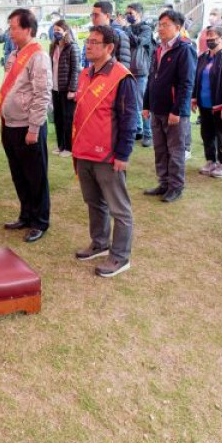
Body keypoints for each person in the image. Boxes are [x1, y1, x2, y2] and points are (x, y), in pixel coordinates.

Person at [72, 25, 140, 278]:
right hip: (84, 151)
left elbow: (129, 119)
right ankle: (99, 243)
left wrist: (123, 155)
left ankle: (120, 257)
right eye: (87, 41)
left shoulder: (122, 78)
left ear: (109, 48)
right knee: (93, 202)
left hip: (108, 155)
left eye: (95, 42)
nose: (88, 45)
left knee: (119, 209)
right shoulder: (85, 74)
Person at [0, 8, 52, 243]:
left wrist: (33, 128)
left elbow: (42, 95)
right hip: (10, 124)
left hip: (28, 126)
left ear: (27, 29)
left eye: (13, 28)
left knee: (35, 175)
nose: (10, 32)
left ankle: (40, 221)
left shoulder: (38, 56)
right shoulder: (14, 54)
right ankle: (26, 214)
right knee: (19, 174)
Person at [142, 9, 195, 203]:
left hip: (174, 112)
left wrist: (177, 110)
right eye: (160, 24)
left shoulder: (185, 49)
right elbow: (151, 78)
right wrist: (146, 104)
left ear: (178, 28)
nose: (161, 28)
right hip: (157, 108)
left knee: (175, 150)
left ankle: (175, 187)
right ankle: (163, 182)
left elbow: (186, 83)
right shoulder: (159, 49)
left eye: (166, 25)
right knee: (160, 149)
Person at [193, 24, 222, 179]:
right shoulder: (203, 57)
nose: (210, 40)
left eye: (214, 37)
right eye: (208, 37)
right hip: (205, 103)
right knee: (207, 133)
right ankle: (210, 160)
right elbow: (196, 78)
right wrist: (194, 98)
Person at [124, 2, 155, 146]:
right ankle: (138, 130)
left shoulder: (146, 29)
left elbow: (137, 42)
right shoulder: (128, 28)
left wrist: (127, 30)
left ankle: (148, 133)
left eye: (131, 13)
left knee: (143, 103)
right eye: (127, 13)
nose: (128, 16)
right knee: (132, 102)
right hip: (128, 69)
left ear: (139, 14)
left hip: (141, 70)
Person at [48, 19, 80, 157]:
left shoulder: (72, 47)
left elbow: (75, 70)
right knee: (58, 118)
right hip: (55, 88)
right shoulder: (53, 46)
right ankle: (61, 146)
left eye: (59, 31)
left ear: (65, 31)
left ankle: (69, 147)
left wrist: (72, 89)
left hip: (67, 89)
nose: (56, 33)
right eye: (54, 31)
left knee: (68, 118)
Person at [89, 1, 132, 69]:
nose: (93, 18)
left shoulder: (119, 35)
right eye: (92, 15)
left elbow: (123, 67)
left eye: (96, 15)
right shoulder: (92, 34)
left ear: (108, 16)